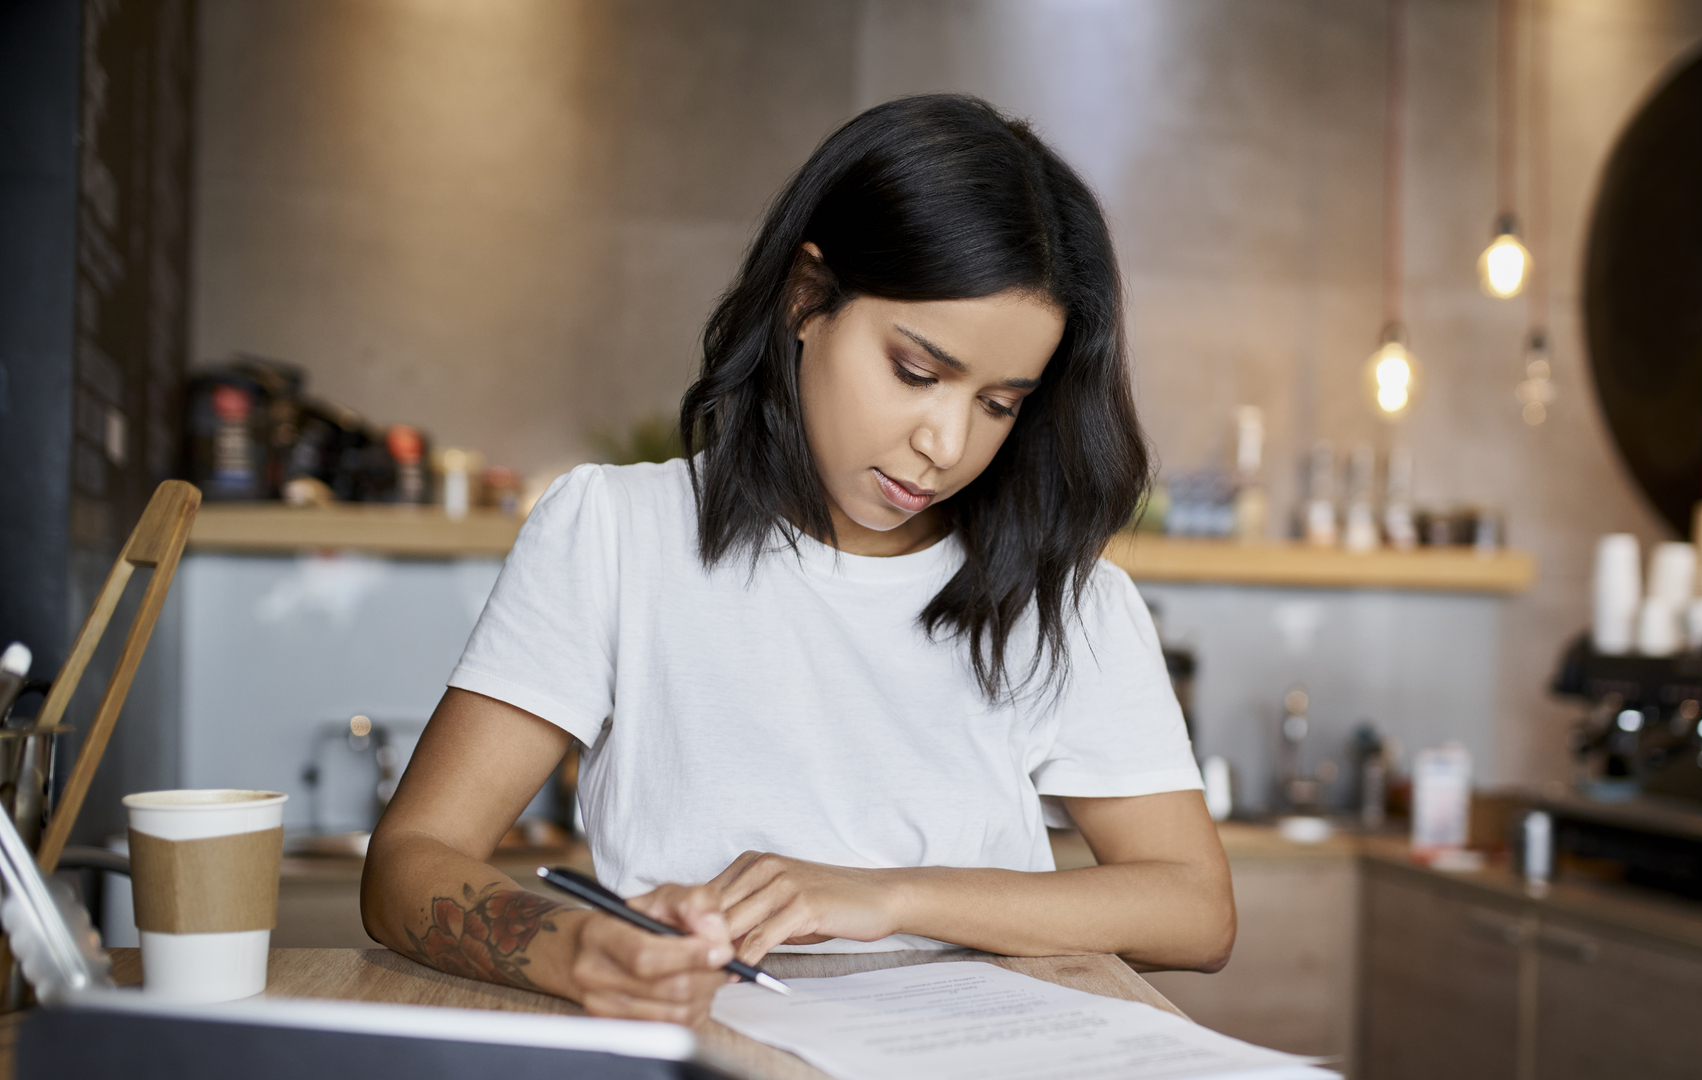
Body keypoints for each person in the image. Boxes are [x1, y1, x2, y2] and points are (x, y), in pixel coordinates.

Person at [362, 94, 1234, 1025]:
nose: (946, 442)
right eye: (917, 371)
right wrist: (577, 949)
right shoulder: (618, 532)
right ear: (807, 299)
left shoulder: (1066, 598)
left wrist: (884, 896)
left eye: (999, 404)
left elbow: (1195, 910)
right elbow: (409, 861)